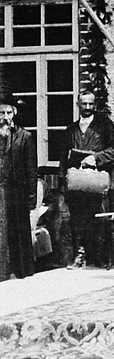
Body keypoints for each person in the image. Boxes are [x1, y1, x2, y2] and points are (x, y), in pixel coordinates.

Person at [61, 90, 114, 269]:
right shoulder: (71, 130)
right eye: (84, 103)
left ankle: (100, 256)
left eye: (91, 103)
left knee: (99, 218)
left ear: (95, 105)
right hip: (77, 181)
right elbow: (63, 158)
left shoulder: (104, 125)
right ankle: (79, 256)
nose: (88, 107)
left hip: (97, 180)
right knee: (77, 218)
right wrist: (63, 181)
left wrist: (96, 158)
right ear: (78, 104)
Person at [0, 93, 37, 282]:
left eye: (8, 112)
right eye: (1, 113)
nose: (5, 117)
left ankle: (21, 270)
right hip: (0, 191)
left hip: (17, 192)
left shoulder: (25, 137)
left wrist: (31, 198)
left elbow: (31, 170)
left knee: (18, 231)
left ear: (14, 113)